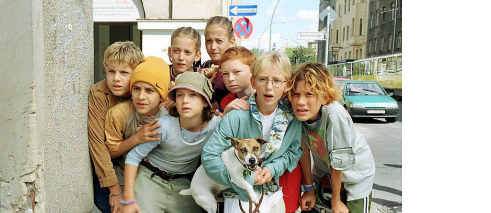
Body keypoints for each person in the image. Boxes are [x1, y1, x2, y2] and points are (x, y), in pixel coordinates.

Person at [201, 51, 303, 213]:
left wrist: (273, 168)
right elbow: (209, 156)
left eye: (277, 81)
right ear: (253, 82)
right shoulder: (236, 117)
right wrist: (239, 178)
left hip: (274, 194)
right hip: (239, 197)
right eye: (263, 79)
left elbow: (293, 151)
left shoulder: (292, 118)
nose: (269, 87)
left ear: (287, 84)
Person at [120, 72, 220, 213]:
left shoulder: (216, 125)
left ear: (205, 102)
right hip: (150, 177)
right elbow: (133, 157)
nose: (185, 100)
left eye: (193, 95)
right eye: (180, 95)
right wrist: (128, 199)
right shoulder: (165, 125)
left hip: (183, 183)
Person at [288, 62, 375, 213]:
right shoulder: (298, 114)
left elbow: (339, 161)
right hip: (325, 174)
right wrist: (309, 188)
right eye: (295, 94)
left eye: (309, 94)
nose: (300, 102)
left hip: (355, 178)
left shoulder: (335, 115)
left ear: (324, 97)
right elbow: (303, 152)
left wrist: (336, 201)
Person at [102, 56, 169, 212]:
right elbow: (110, 152)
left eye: (149, 90)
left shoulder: (170, 114)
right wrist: (136, 138)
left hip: (157, 177)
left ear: (162, 95)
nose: (141, 96)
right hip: (125, 173)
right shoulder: (119, 113)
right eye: (136, 88)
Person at [87, 41, 145, 213]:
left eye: (124, 73)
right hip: (110, 165)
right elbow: (97, 144)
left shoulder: (145, 88)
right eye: (111, 72)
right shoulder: (99, 93)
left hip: (142, 165)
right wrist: (113, 190)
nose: (116, 78)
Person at [202, 16, 236, 112]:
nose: (213, 47)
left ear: (231, 42)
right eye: (209, 41)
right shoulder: (205, 66)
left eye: (219, 41)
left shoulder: (238, 69)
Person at [219, 46, 256, 115]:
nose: (230, 78)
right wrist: (225, 115)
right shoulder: (226, 102)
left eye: (237, 72)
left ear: (253, 70)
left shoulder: (266, 97)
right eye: (225, 74)